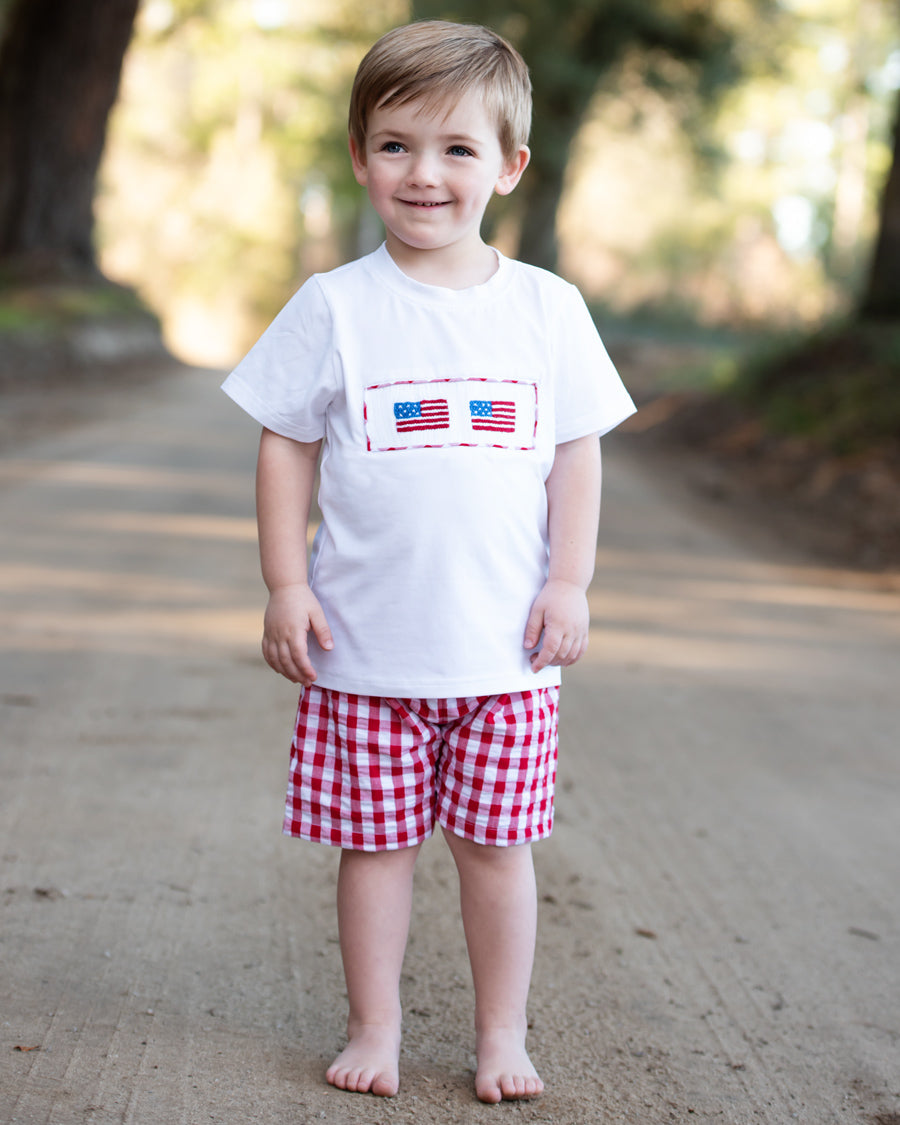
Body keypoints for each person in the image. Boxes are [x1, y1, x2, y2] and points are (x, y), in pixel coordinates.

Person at [222, 19, 635, 1104]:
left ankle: (502, 1035)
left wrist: (569, 581)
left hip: (506, 656)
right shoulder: (336, 306)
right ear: (360, 156)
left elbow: (575, 452)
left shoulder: (545, 309)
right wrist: (286, 582)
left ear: (510, 165)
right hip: (365, 653)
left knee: (498, 854)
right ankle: (377, 1026)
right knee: (376, 852)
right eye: (397, 144)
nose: (425, 173)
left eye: (458, 149)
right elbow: (285, 439)